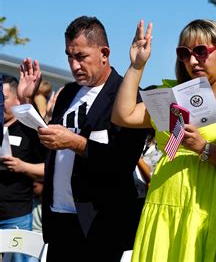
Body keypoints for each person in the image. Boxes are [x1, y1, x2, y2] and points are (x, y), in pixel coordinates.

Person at [112, 19, 216, 261]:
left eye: (201, 52)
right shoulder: (173, 95)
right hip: (165, 204)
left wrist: (204, 148)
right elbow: (123, 115)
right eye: (185, 53)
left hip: (212, 208)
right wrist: (137, 66)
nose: (193, 61)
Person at [18, 16, 148, 261]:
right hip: (59, 220)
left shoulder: (127, 97)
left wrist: (75, 142)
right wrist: (27, 102)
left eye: (81, 57)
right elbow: (44, 149)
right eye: (69, 56)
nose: (74, 65)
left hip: (99, 224)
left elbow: (122, 162)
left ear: (104, 53)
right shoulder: (67, 93)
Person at [0, 75, 45, 262]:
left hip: (16, 215)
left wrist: (22, 166)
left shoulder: (29, 129)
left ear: (17, 99)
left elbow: (50, 168)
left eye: (3, 98)